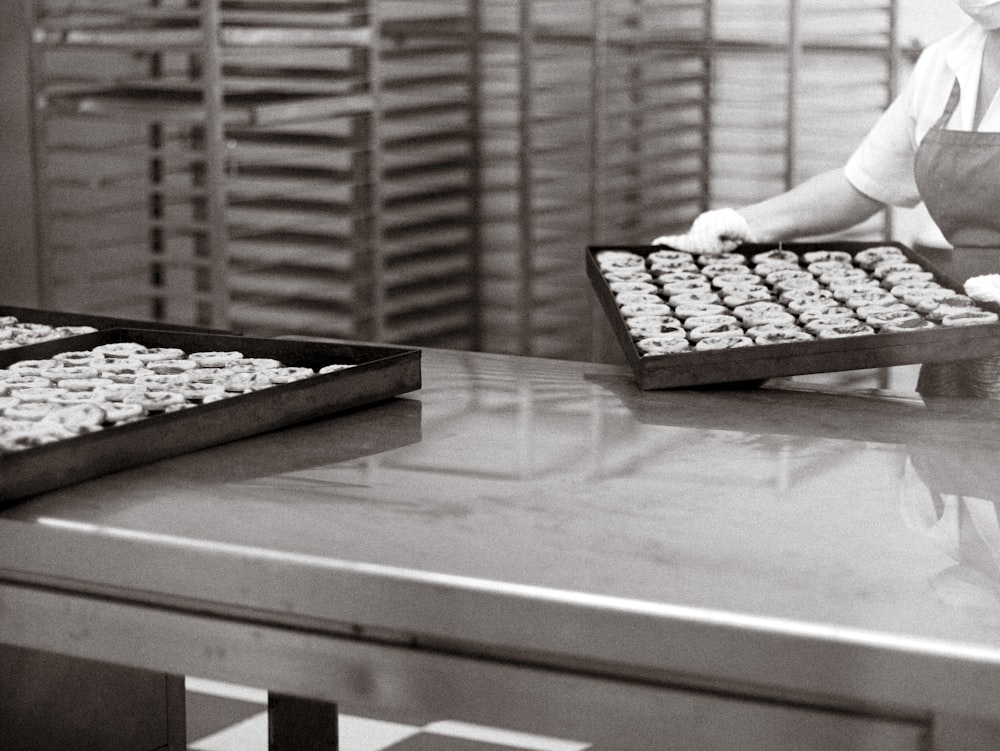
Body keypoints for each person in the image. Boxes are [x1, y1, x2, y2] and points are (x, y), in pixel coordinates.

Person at [655, 0, 1000, 398]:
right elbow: (861, 183)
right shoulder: (945, 62)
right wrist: (746, 222)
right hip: (963, 335)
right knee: (951, 455)